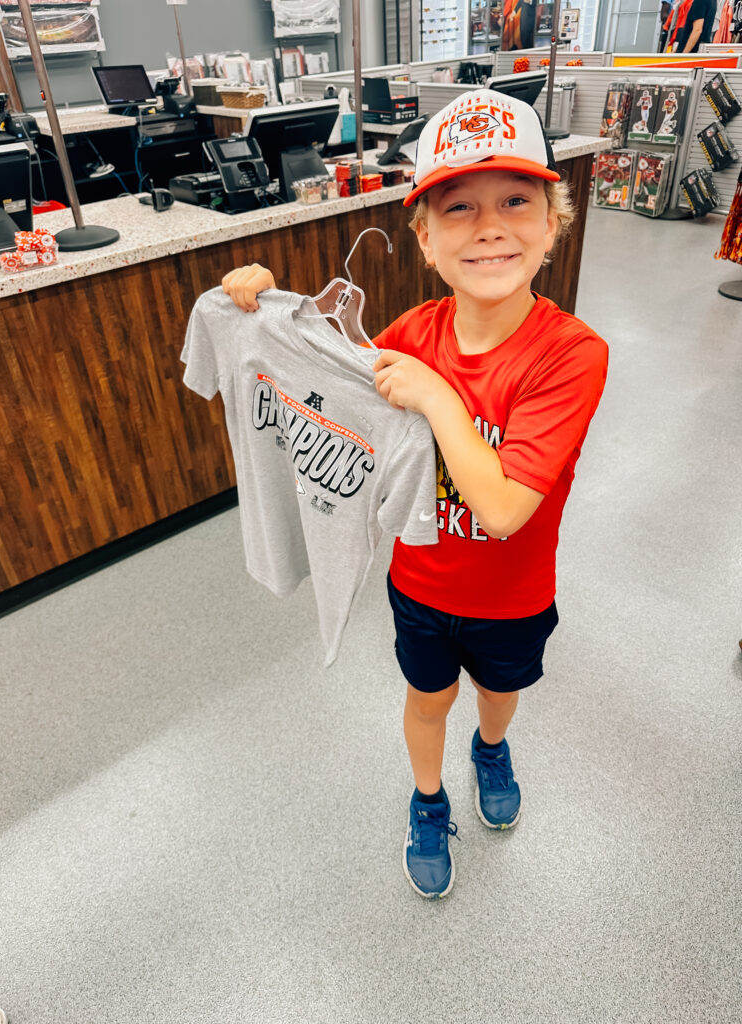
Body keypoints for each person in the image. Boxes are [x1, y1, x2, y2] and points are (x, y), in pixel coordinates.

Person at [220, 89, 608, 899]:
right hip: (423, 586)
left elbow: (503, 512)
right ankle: (428, 802)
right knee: (427, 699)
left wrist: (436, 397)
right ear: (425, 240)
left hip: (514, 593)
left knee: (498, 695)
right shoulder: (408, 336)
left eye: (515, 202)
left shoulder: (571, 355)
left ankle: (492, 752)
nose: (491, 225)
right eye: (458, 208)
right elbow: (321, 361)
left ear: (552, 222)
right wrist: (258, 306)